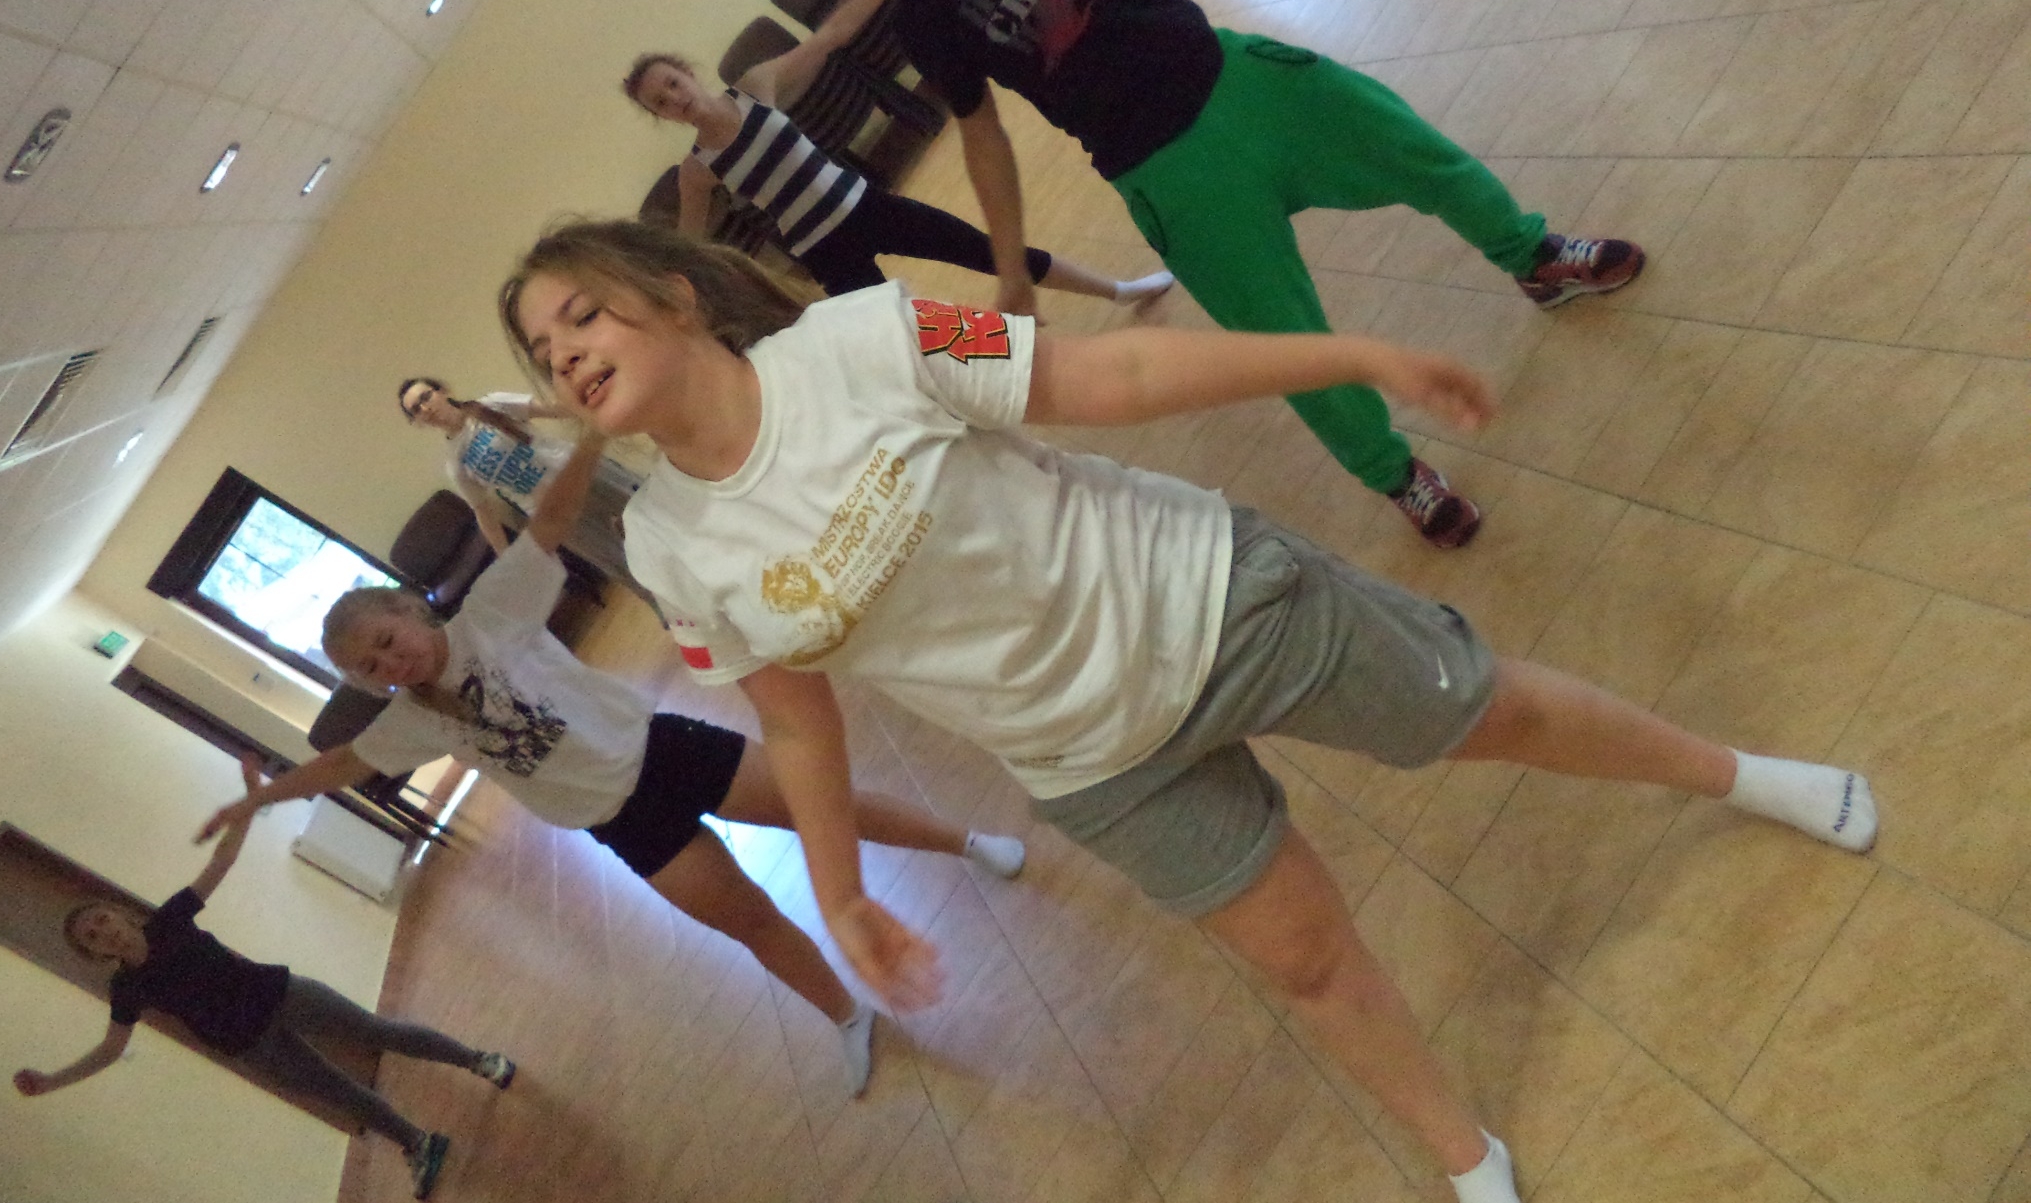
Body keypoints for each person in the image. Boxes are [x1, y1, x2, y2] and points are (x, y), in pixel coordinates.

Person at [497, 220, 1880, 1203]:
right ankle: (1467, 1156)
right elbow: (795, 719)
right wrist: (843, 887)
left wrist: (1348, 352)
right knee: (1302, 959)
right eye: (545, 353)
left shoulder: (870, 334)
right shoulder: (668, 546)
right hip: (1093, 760)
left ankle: (1740, 774)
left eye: (582, 316)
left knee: (1492, 711)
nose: (567, 356)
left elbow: (1107, 376)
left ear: (674, 296)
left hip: (1213, 599)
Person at [791, 0, 1651, 547]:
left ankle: (1534, 256)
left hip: (1242, 78)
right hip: (1165, 171)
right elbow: (983, 136)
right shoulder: (925, 19)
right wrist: (1012, 271)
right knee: (1287, 340)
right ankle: (1396, 476)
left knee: (1421, 155)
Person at [198, 431, 1027, 1097]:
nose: (390, 662)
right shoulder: (409, 722)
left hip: (666, 751)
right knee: (748, 921)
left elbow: (552, 521)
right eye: (370, 667)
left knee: (831, 808)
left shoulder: (492, 611)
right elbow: (343, 762)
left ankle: (968, 842)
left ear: (411, 609)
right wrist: (258, 799)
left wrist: (590, 435)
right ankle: (847, 1015)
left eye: (387, 639)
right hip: (621, 821)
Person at [17, 758, 503, 1199]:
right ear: (94, 953)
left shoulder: (168, 920)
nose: (103, 932)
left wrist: (251, 799)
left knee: (378, 1032)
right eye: (92, 937)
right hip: (252, 1046)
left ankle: (480, 1061)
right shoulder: (125, 989)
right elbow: (110, 1050)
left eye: (101, 920)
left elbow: (221, 861)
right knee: (339, 1092)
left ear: (118, 914)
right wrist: (52, 1082)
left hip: (282, 994)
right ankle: (418, 1143)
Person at [626, 52, 1171, 306]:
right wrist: (656, 288)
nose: (674, 98)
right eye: (660, 102)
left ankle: (1117, 290)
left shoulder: (754, 87)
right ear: (661, 116)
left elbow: (832, 35)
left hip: (869, 207)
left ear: (687, 71)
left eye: (672, 83)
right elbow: (689, 249)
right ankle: (996, 374)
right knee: (905, 333)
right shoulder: (697, 171)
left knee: (986, 250)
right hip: (824, 254)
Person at [396, 376, 655, 615]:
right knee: (617, 561)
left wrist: (606, 408)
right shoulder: (456, 463)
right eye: (416, 410)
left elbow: (552, 410)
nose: (425, 408)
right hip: (554, 515)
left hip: (581, 471)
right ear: (417, 422)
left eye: (426, 397)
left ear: (441, 391)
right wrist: (507, 559)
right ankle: (670, 612)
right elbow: (483, 512)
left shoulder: (491, 405)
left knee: (650, 512)